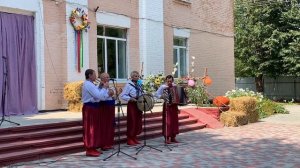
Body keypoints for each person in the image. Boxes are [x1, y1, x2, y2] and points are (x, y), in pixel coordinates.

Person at [81, 69, 111, 157]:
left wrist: (100, 87)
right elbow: (99, 96)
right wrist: (105, 88)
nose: (96, 77)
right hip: (90, 108)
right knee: (91, 129)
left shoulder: (91, 84)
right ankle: (89, 149)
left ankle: (93, 147)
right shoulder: (88, 84)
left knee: (95, 128)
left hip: (94, 107)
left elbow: (97, 94)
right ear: (90, 75)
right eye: (94, 75)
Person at [120, 71, 143, 146]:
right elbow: (123, 95)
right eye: (135, 76)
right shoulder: (128, 85)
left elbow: (141, 93)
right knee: (132, 121)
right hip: (132, 105)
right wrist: (130, 98)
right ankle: (130, 138)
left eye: (138, 76)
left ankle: (134, 137)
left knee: (138, 121)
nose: (137, 77)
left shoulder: (139, 84)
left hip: (138, 104)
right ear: (132, 77)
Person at [155, 75, 179, 144]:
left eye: (170, 81)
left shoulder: (174, 86)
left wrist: (177, 106)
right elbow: (156, 94)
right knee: (167, 122)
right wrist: (161, 96)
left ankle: (173, 137)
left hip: (174, 106)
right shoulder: (163, 87)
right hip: (167, 105)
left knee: (174, 122)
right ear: (166, 81)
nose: (169, 82)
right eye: (168, 81)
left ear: (172, 81)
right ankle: (167, 138)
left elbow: (177, 96)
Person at [98, 72, 115, 150]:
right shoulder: (99, 86)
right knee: (104, 126)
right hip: (104, 107)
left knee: (110, 125)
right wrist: (108, 94)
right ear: (101, 79)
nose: (108, 79)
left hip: (111, 107)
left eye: (108, 77)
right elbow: (101, 97)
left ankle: (109, 143)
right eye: (106, 77)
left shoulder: (110, 86)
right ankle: (104, 144)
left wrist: (116, 94)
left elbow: (113, 96)